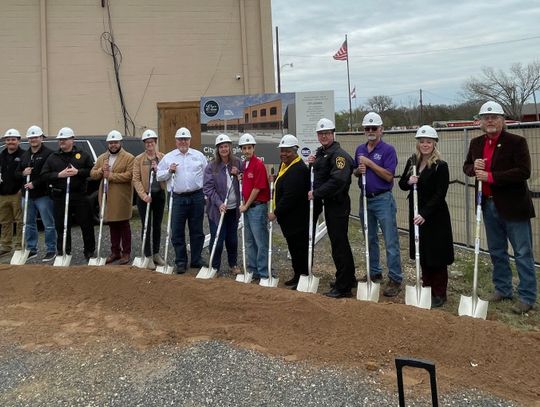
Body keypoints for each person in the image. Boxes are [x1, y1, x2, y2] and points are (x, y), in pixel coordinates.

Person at [463, 101, 537, 314]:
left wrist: (492, 177)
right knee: (496, 251)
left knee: (522, 252)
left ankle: (527, 296)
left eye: (494, 117)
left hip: (514, 207)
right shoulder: (476, 143)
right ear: (480, 121)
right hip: (487, 205)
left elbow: (524, 171)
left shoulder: (516, 142)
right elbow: (467, 166)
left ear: (502, 120)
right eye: (486, 117)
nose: (490, 121)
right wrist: (472, 168)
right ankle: (503, 289)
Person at [398, 125, 454, 308]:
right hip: (416, 213)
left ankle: (439, 293)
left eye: (428, 142)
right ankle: (426, 287)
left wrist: (424, 213)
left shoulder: (440, 166)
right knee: (422, 252)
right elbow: (401, 184)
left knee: (436, 254)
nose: (425, 145)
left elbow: (440, 194)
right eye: (422, 142)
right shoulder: (412, 161)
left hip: (434, 216)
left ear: (434, 143)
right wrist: (409, 180)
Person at [354, 112, 403, 297]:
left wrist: (370, 164)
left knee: (390, 240)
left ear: (381, 130)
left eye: (374, 128)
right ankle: (374, 271)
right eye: (367, 128)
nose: (371, 131)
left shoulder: (388, 150)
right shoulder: (360, 149)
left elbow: (389, 176)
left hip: (383, 199)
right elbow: (356, 172)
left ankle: (395, 278)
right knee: (370, 238)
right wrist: (358, 170)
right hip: (365, 198)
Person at [308, 118, 355, 298]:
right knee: (339, 243)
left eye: (327, 133)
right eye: (321, 133)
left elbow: (338, 180)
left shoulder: (339, 155)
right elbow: (321, 173)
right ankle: (347, 279)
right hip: (330, 204)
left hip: (338, 203)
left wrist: (317, 193)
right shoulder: (323, 153)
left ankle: (343, 287)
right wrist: (312, 162)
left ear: (333, 133)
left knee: (339, 244)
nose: (324, 136)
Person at [156, 127, 207, 274]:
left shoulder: (199, 156)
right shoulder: (169, 157)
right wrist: (169, 171)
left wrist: (206, 195)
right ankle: (181, 261)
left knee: (197, 230)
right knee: (177, 231)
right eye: (180, 139)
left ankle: (196, 259)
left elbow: (207, 175)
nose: (183, 141)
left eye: (185, 139)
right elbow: (159, 176)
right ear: (176, 141)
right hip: (177, 198)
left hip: (197, 196)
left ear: (190, 140)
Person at [41, 127, 96, 261]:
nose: (62, 142)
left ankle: (89, 251)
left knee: (86, 224)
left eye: (64, 139)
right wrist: (59, 175)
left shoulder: (83, 155)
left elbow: (92, 171)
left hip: (79, 196)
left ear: (72, 140)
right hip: (60, 196)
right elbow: (44, 175)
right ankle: (64, 251)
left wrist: (78, 172)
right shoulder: (53, 157)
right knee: (62, 225)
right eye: (60, 140)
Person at [269, 134, 310, 290]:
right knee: (293, 248)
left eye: (287, 151)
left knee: (300, 248)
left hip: (297, 219)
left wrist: (275, 213)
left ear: (295, 151)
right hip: (289, 219)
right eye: (282, 150)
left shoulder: (299, 169)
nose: (284, 154)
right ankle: (297, 274)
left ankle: (303, 276)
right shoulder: (285, 165)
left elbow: (290, 197)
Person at [90, 130, 135, 264]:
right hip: (107, 196)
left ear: (120, 142)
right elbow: (93, 174)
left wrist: (111, 176)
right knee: (112, 225)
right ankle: (115, 251)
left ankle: (126, 253)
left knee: (124, 225)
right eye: (111, 143)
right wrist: (101, 171)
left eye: (115, 142)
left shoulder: (128, 157)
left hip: (121, 197)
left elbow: (129, 175)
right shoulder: (103, 158)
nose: (113, 145)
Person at [15, 125, 57, 261]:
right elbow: (15, 173)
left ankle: (51, 249)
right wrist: (23, 173)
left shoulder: (49, 154)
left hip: (43, 195)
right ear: (28, 139)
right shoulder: (24, 155)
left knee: (48, 223)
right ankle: (31, 249)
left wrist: (35, 183)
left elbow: (48, 174)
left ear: (41, 138)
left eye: (36, 137)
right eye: (31, 137)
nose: (33, 139)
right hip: (27, 196)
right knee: (28, 223)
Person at [203, 134, 241, 275]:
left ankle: (233, 264)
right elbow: (208, 188)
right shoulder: (211, 167)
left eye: (226, 146)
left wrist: (238, 175)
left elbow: (243, 181)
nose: (224, 149)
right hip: (217, 210)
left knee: (232, 239)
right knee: (217, 239)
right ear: (217, 149)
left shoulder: (237, 163)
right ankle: (215, 266)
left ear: (230, 148)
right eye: (221, 147)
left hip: (232, 209)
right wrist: (219, 203)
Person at [238, 133, 270, 281]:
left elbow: (257, 188)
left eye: (249, 148)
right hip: (248, 208)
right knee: (249, 240)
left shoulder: (258, 164)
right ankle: (253, 269)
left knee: (260, 240)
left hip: (256, 207)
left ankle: (263, 272)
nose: (246, 151)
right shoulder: (245, 165)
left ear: (254, 148)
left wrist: (246, 205)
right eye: (244, 148)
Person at [132, 129, 166, 267]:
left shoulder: (162, 157)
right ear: (144, 144)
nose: (149, 144)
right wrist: (143, 195)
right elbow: (136, 179)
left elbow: (167, 174)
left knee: (157, 225)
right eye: (147, 142)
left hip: (159, 195)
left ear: (155, 142)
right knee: (146, 226)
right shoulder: (139, 159)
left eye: (151, 142)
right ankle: (148, 255)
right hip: (145, 197)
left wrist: (158, 168)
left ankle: (156, 253)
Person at [0, 129, 24, 257]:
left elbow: (27, 174)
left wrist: (22, 189)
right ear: (5, 141)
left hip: (17, 193)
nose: (11, 142)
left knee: (20, 221)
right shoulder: (1, 156)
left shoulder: (24, 155)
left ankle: (20, 245)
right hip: (2, 194)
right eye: (8, 139)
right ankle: (5, 246)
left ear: (18, 141)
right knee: (4, 221)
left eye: (13, 139)